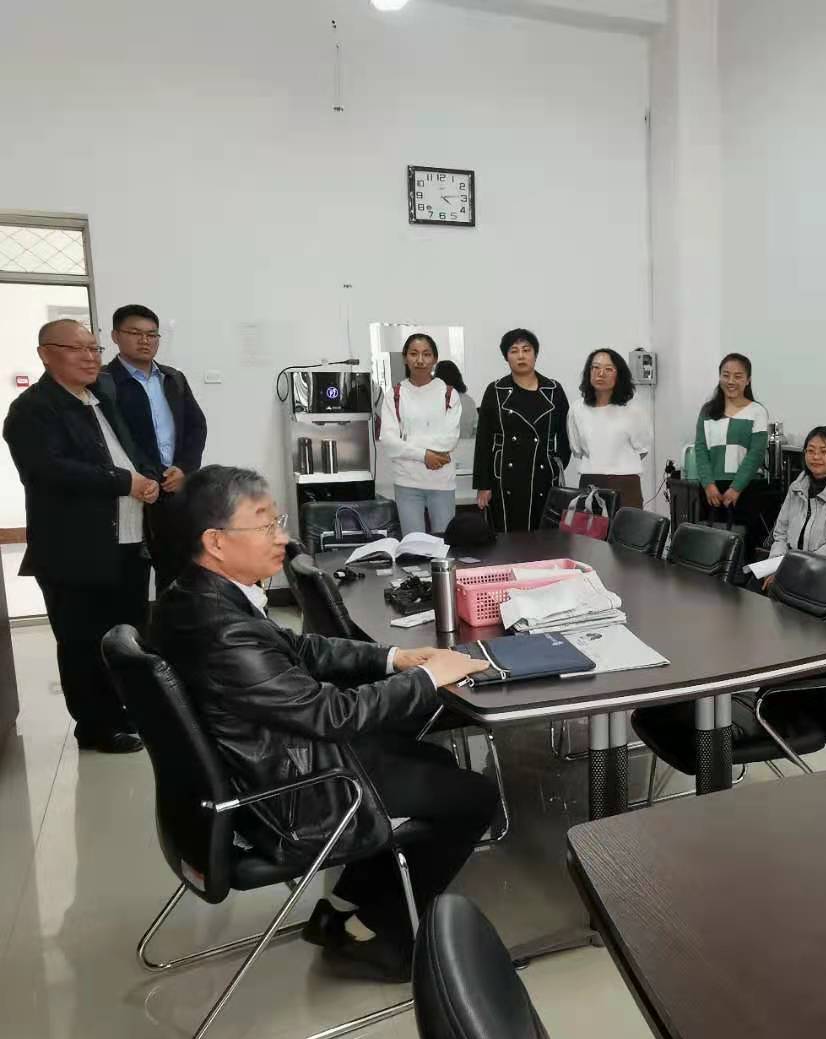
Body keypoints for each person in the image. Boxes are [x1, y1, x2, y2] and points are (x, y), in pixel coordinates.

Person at [149, 465, 497, 981]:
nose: (281, 537)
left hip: (261, 764)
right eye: (264, 524)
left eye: (277, 521)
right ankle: (382, 935)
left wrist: (394, 657)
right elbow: (332, 715)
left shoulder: (195, 596)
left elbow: (299, 648)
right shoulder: (224, 632)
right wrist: (427, 678)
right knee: (475, 797)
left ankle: (344, 907)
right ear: (216, 541)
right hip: (289, 793)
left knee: (433, 760)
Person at [3, 319, 160, 754]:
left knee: (125, 634)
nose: (91, 357)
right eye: (78, 349)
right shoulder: (33, 409)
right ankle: (95, 726)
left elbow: (127, 452)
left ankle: (125, 712)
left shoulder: (99, 398)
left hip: (127, 540)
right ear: (45, 354)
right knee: (82, 642)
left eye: (94, 348)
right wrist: (123, 482)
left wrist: (146, 478)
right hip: (74, 549)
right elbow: (48, 470)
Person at [105, 303, 208, 593]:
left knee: (177, 573)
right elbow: (114, 440)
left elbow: (196, 427)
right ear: (115, 336)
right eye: (135, 333)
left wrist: (185, 468)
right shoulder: (104, 382)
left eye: (152, 334)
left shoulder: (173, 378)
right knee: (130, 579)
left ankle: (171, 621)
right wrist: (147, 474)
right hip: (130, 492)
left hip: (173, 488)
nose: (145, 341)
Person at [472, 328, 571, 532]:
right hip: (504, 476)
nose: (521, 356)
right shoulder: (495, 390)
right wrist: (483, 485)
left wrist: (556, 464)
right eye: (514, 351)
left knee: (544, 536)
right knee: (507, 535)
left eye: (526, 350)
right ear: (506, 357)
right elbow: (483, 440)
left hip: (544, 475)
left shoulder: (553, 390)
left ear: (535, 354)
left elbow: (565, 434)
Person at [378, 333, 461, 537]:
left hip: (441, 481)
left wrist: (407, 443)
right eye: (414, 354)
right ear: (405, 357)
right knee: (413, 545)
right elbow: (389, 441)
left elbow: (450, 439)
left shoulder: (448, 393)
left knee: (444, 544)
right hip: (407, 483)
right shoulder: (394, 395)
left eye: (426, 354)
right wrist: (424, 455)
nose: (420, 360)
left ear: (435, 358)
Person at [763, 425, 826, 587]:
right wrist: (773, 566)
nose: (816, 457)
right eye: (810, 451)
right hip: (792, 567)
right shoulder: (797, 487)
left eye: (824, 452)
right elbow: (780, 534)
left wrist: (790, 570)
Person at [692, 353, 769, 549]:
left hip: (744, 489)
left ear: (748, 380)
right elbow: (700, 448)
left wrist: (736, 488)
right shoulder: (708, 411)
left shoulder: (757, 411)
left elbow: (756, 453)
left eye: (738, 376)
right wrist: (708, 485)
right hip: (711, 490)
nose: (731, 381)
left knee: (742, 546)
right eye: (726, 375)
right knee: (710, 547)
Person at [568, 348, 651, 509]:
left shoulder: (634, 410)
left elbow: (643, 448)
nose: (601, 374)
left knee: (626, 526)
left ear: (619, 374)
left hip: (625, 485)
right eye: (595, 367)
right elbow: (577, 449)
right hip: (589, 483)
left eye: (608, 369)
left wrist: (616, 464)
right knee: (586, 526)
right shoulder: (577, 409)